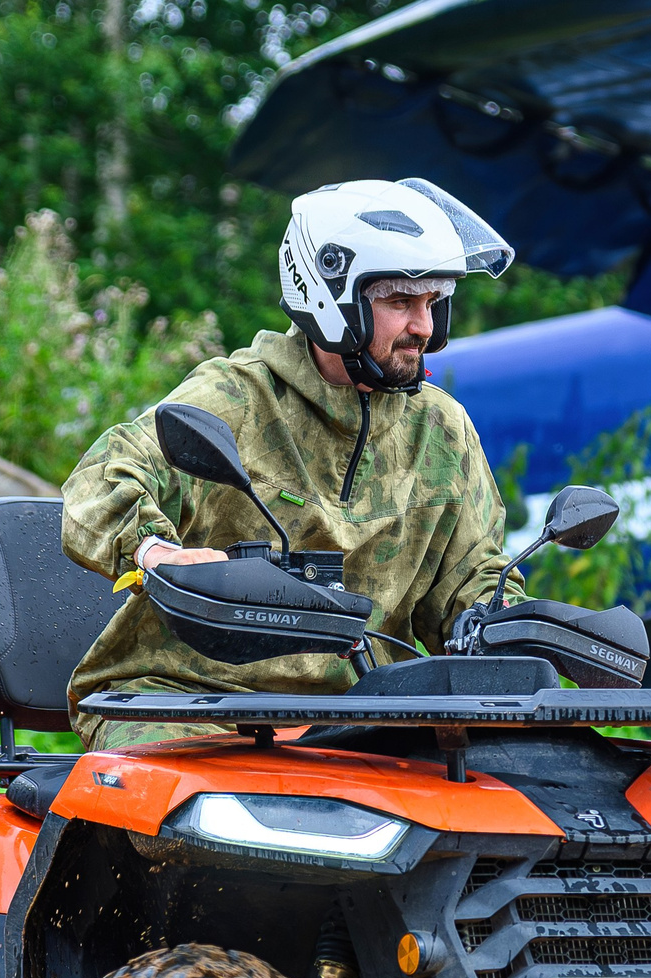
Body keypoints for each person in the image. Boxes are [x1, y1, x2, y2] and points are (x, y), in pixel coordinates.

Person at [59, 178, 521, 748]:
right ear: (332, 298)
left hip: (357, 718)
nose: (424, 327)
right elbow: (100, 479)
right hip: (180, 701)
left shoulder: (441, 430)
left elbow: (470, 581)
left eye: (432, 302)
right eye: (401, 301)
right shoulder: (235, 399)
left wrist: (514, 625)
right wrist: (157, 551)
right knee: (207, 819)